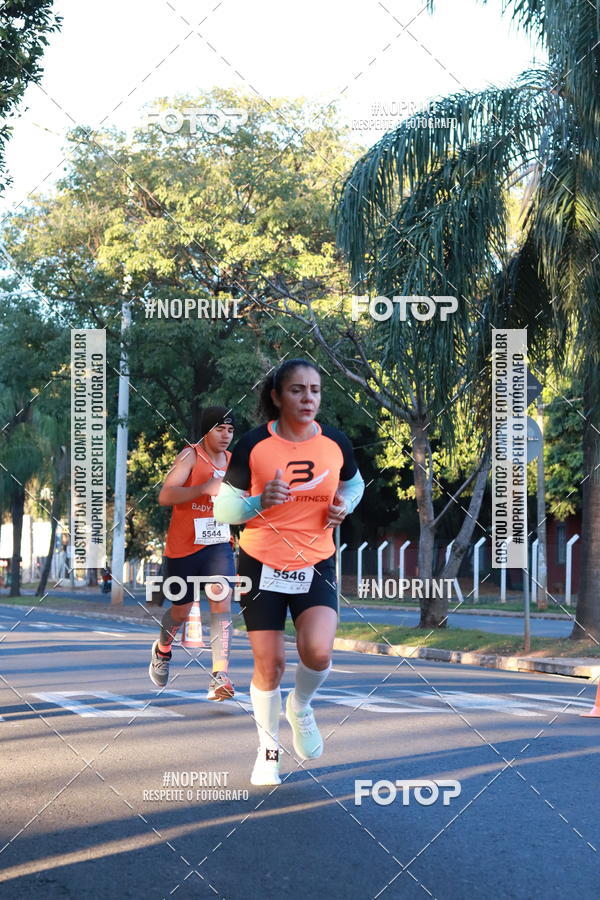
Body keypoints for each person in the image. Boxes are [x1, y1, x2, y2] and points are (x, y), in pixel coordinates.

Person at [214, 359, 364, 784]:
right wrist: (259, 501)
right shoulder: (253, 444)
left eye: (315, 390)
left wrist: (345, 505)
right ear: (277, 396)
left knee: (318, 651)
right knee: (271, 664)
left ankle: (300, 706)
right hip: (261, 562)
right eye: (297, 390)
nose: (308, 398)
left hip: (315, 560)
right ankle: (268, 750)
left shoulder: (335, 442)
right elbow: (223, 508)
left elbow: (354, 484)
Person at [149, 406, 236, 701]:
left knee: (221, 600)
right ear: (206, 431)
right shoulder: (190, 456)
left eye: (230, 430)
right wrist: (203, 488)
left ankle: (220, 675)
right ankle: (163, 649)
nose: (225, 435)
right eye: (219, 429)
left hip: (218, 544)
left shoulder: (233, 463)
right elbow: (166, 495)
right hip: (183, 548)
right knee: (181, 611)